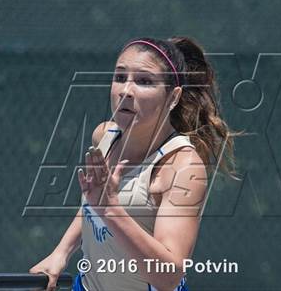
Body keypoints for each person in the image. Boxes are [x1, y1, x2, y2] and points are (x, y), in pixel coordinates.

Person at [29, 36, 238, 291]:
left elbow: (168, 277)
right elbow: (92, 206)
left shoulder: (181, 166)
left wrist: (112, 209)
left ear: (173, 97)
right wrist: (60, 253)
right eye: (120, 77)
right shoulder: (104, 136)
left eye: (144, 81)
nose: (126, 90)